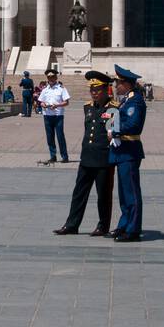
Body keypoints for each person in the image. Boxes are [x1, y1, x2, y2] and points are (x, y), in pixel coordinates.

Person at [53, 70, 118, 237]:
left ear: (105, 90)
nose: (94, 93)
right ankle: (71, 225)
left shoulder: (114, 109)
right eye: (92, 90)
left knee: (103, 195)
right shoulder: (87, 107)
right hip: (87, 157)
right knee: (79, 193)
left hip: (104, 159)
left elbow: (112, 133)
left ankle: (103, 226)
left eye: (97, 90)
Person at [109, 65, 146, 243]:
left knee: (131, 192)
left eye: (119, 82)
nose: (116, 86)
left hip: (130, 150)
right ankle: (124, 224)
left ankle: (133, 229)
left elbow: (134, 125)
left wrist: (115, 131)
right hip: (122, 150)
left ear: (127, 84)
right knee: (124, 193)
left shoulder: (135, 101)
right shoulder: (125, 101)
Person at [37, 69, 71, 164]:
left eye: (52, 77)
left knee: (60, 136)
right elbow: (41, 101)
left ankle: (65, 156)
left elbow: (66, 102)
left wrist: (57, 105)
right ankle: (53, 156)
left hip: (58, 115)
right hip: (47, 115)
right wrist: (43, 104)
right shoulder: (45, 90)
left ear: (56, 78)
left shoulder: (61, 89)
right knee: (50, 137)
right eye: (49, 77)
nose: (50, 79)